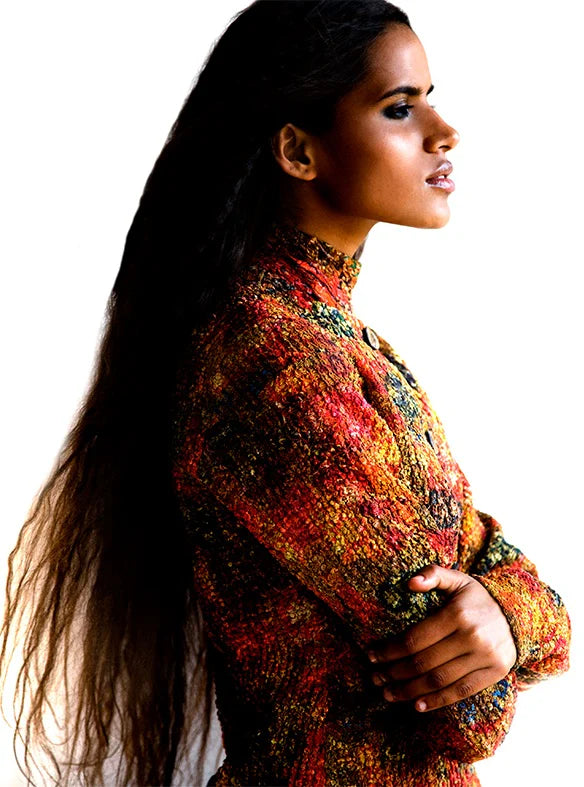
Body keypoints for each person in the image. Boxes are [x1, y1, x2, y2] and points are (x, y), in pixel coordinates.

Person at [0, 1, 571, 786]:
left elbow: (520, 622)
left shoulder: (332, 338)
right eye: (399, 108)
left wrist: (506, 610)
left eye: (431, 100)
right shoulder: (276, 364)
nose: (444, 133)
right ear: (299, 150)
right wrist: (512, 608)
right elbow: (467, 714)